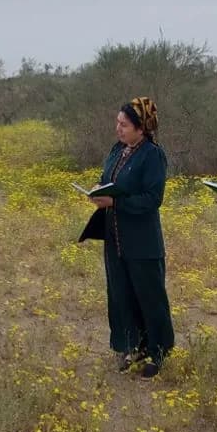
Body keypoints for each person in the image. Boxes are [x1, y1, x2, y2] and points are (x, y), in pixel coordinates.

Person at [80, 97, 174, 379]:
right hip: (114, 237)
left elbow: (152, 198)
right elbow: (107, 178)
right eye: (117, 123)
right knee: (121, 295)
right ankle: (131, 347)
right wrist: (98, 189)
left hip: (142, 240)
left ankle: (157, 352)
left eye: (124, 124)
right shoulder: (118, 150)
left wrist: (115, 203)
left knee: (149, 296)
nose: (118, 128)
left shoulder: (152, 155)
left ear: (141, 128)